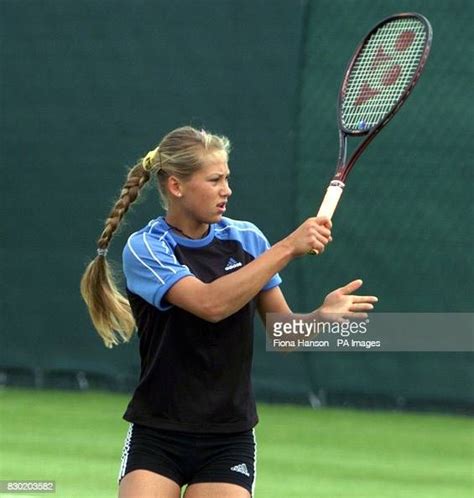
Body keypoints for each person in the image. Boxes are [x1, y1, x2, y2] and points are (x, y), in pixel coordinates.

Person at [80, 126, 377, 498]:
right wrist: (287, 247)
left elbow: (282, 336)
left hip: (228, 437)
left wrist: (320, 316)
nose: (227, 190)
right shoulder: (146, 249)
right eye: (215, 179)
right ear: (176, 186)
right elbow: (210, 305)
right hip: (157, 432)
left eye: (228, 178)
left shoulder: (247, 239)